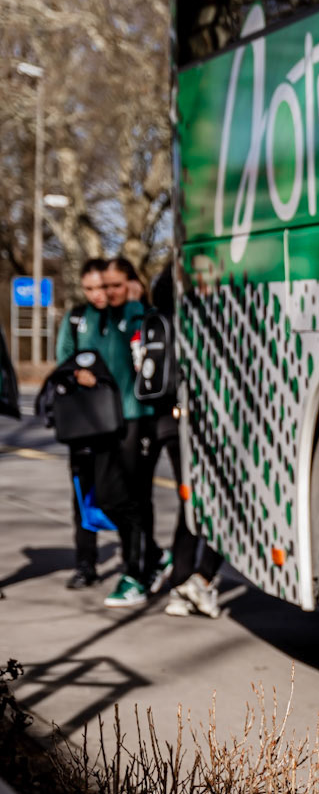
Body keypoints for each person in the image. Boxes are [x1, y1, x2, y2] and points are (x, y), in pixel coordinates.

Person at [148, 263, 225, 618]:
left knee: (190, 500)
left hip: (170, 420)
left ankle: (184, 583)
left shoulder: (161, 317)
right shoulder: (202, 320)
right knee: (219, 499)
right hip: (196, 421)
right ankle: (202, 578)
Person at [94, 255, 168, 610]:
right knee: (108, 496)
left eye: (115, 285)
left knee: (137, 497)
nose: (109, 292)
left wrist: (137, 302)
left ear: (131, 284)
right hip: (107, 420)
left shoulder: (138, 316)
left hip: (138, 417)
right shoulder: (102, 318)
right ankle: (154, 555)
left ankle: (136, 573)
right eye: (105, 286)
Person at [54, 256, 112, 588]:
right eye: (89, 289)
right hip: (84, 422)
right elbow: (63, 358)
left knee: (121, 494)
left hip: (116, 421)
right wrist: (77, 373)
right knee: (83, 494)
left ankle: (141, 558)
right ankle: (86, 563)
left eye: (101, 287)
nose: (96, 295)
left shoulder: (124, 315)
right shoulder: (76, 319)